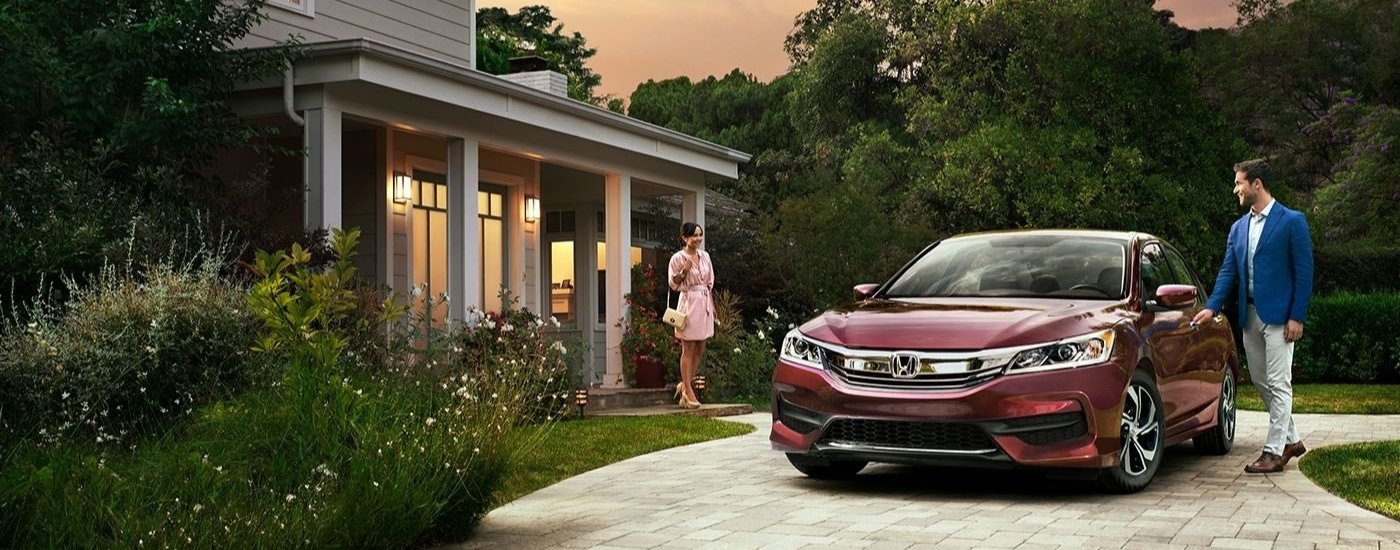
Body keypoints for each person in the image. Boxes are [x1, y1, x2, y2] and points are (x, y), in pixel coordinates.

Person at [1193, 158, 1314, 474]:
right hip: (1250, 316)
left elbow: (1304, 273)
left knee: (1279, 382)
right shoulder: (1238, 228)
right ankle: (1292, 439)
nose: (1236, 188)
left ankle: (1274, 452)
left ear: (1256, 184)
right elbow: (1228, 272)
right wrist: (1211, 306)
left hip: (1280, 318)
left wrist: (1296, 316)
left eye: (1239, 182)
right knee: (1261, 381)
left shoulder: (1292, 222)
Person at [667, 222, 715, 409]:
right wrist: (684, 271)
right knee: (688, 348)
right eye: (694, 235)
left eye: (700, 235)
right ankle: (688, 389)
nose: (698, 239)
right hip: (688, 302)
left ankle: (685, 385)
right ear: (685, 238)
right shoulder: (677, 258)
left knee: (700, 347)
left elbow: (710, 282)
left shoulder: (705, 257)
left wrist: (713, 305)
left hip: (704, 302)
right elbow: (673, 284)